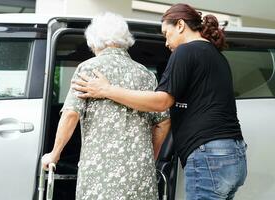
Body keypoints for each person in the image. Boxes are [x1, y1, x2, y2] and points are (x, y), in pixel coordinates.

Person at [72, 3, 247, 200]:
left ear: (180, 25)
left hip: (208, 155)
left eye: (166, 33)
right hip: (235, 156)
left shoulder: (185, 51)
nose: (166, 42)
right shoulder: (217, 56)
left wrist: (107, 89)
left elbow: (161, 101)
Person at [42, 12, 170, 200]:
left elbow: (71, 114)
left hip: (100, 174)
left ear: (94, 41)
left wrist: (54, 154)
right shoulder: (146, 75)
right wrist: (149, 157)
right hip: (141, 174)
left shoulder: (89, 69)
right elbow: (163, 122)